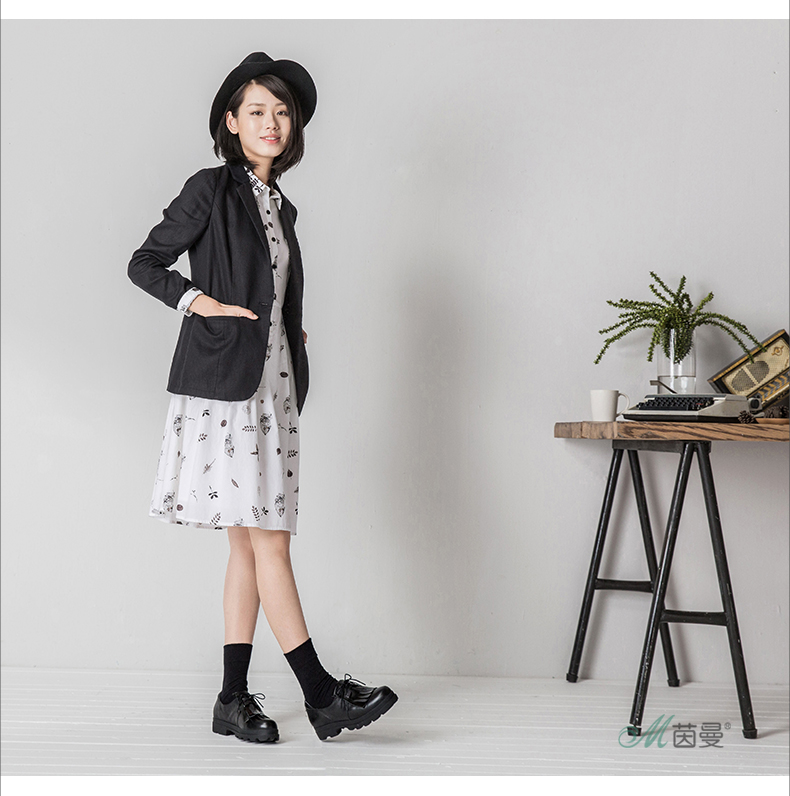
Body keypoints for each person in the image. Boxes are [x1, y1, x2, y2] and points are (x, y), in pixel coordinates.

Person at [128, 52, 397, 743]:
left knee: (249, 547)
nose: (272, 122)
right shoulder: (211, 188)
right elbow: (145, 262)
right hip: (226, 392)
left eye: (281, 112)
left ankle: (230, 699)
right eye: (257, 111)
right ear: (231, 122)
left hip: (271, 383)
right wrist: (203, 304)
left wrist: (283, 324)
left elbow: (269, 286)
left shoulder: (280, 204)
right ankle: (321, 694)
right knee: (270, 540)